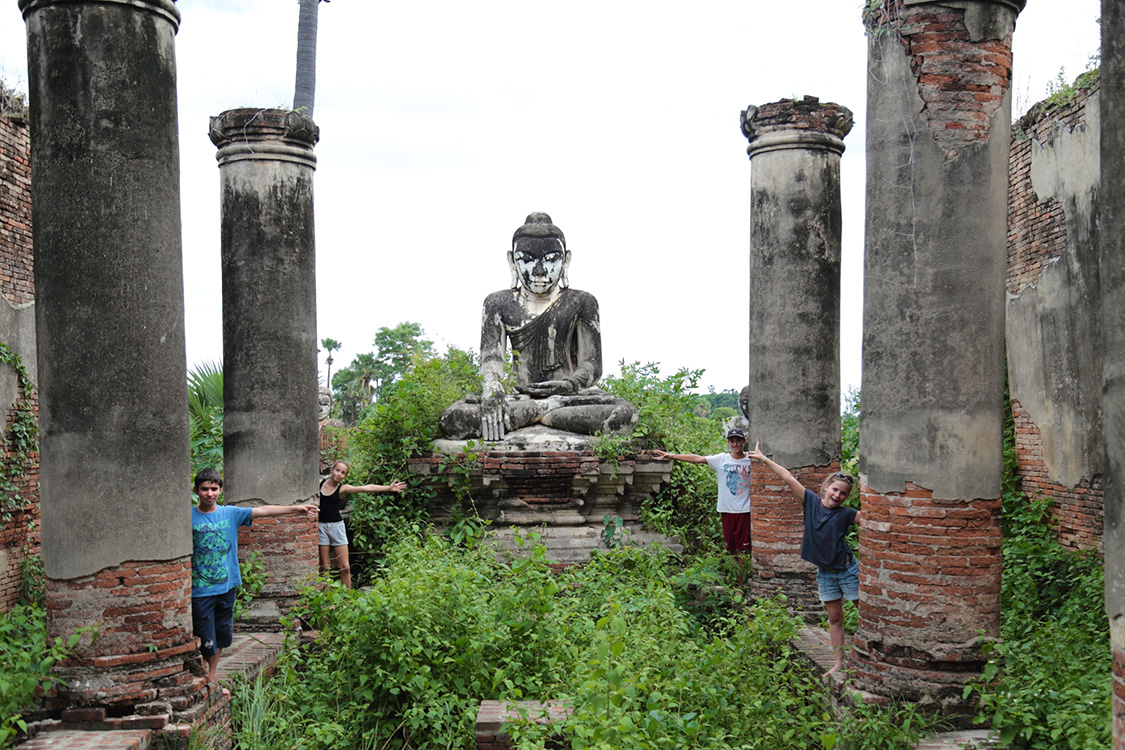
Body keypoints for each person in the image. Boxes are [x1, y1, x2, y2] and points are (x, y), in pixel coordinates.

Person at [438, 212, 637, 440]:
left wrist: (568, 385)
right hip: (517, 396)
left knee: (625, 415)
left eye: (551, 259)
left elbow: (592, 364)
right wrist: (492, 389)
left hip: (569, 396)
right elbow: (492, 361)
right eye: (527, 259)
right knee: (452, 419)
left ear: (566, 261)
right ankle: (546, 411)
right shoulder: (497, 303)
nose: (539, 271)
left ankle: (533, 414)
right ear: (512, 262)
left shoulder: (582, 301)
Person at [191, 468, 318, 686]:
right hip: (201, 588)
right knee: (205, 636)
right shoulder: (189, 517)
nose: (209, 493)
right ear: (196, 491)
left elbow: (263, 511)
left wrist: (296, 509)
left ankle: (211, 676)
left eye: (213, 489)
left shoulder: (230, 513)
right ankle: (204, 675)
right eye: (204, 489)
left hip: (227, 585)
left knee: (221, 634)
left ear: (220, 490)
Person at [747, 442, 860, 676]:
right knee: (834, 617)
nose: (837, 495)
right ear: (826, 487)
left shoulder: (846, 514)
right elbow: (788, 477)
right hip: (825, 573)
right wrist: (763, 459)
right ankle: (838, 662)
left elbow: (874, 519)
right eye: (835, 489)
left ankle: (866, 657)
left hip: (847, 570)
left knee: (865, 613)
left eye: (843, 493)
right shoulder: (811, 502)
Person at [652, 427, 753, 584]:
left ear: (744, 441)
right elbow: (698, 458)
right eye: (732, 441)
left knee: (743, 550)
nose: (735, 444)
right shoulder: (721, 459)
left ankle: (741, 585)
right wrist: (671, 456)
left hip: (744, 511)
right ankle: (735, 581)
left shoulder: (751, 460)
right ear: (728, 442)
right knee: (732, 550)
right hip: (726, 510)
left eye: (738, 441)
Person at [317, 459, 406, 589]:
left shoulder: (343, 488)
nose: (339, 474)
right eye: (337, 470)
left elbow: (366, 488)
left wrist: (388, 487)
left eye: (343, 473)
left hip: (337, 527)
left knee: (345, 567)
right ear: (331, 470)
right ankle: (326, 597)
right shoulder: (319, 484)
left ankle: (347, 597)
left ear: (345, 476)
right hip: (321, 526)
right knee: (324, 566)